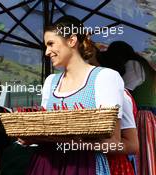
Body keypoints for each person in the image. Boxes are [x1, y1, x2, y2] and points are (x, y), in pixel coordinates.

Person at [25, 15, 124, 175]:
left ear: (71, 41)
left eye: (51, 44)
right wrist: (32, 139)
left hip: (85, 165)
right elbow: (45, 129)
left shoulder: (104, 77)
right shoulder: (50, 82)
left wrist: (74, 143)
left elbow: (114, 143)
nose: (47, 52)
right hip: (46, 163)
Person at [99, 41, 156, 175]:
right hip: (148, 115)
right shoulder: (143, 64)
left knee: (142, 154)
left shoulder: (134, 64)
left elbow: (124, 90)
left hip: (143, 116)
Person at [90, 47, 139, 175]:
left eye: (92, 66)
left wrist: (83, 144)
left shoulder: (120, 95)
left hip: (112, 167)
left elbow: (132, 145)